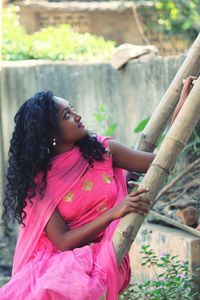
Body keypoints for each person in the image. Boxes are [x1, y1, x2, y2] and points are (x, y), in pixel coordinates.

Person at [0, 76, 196, 299]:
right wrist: (114, 212)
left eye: (72, 109)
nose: (77, 116)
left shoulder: (102, 151)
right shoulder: (39, 184)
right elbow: (63, 242)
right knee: (45, 289)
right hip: (57, 261)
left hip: (103, 252)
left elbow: (162, 159)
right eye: (67, 115)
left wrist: (183, 105)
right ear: (50, 134)